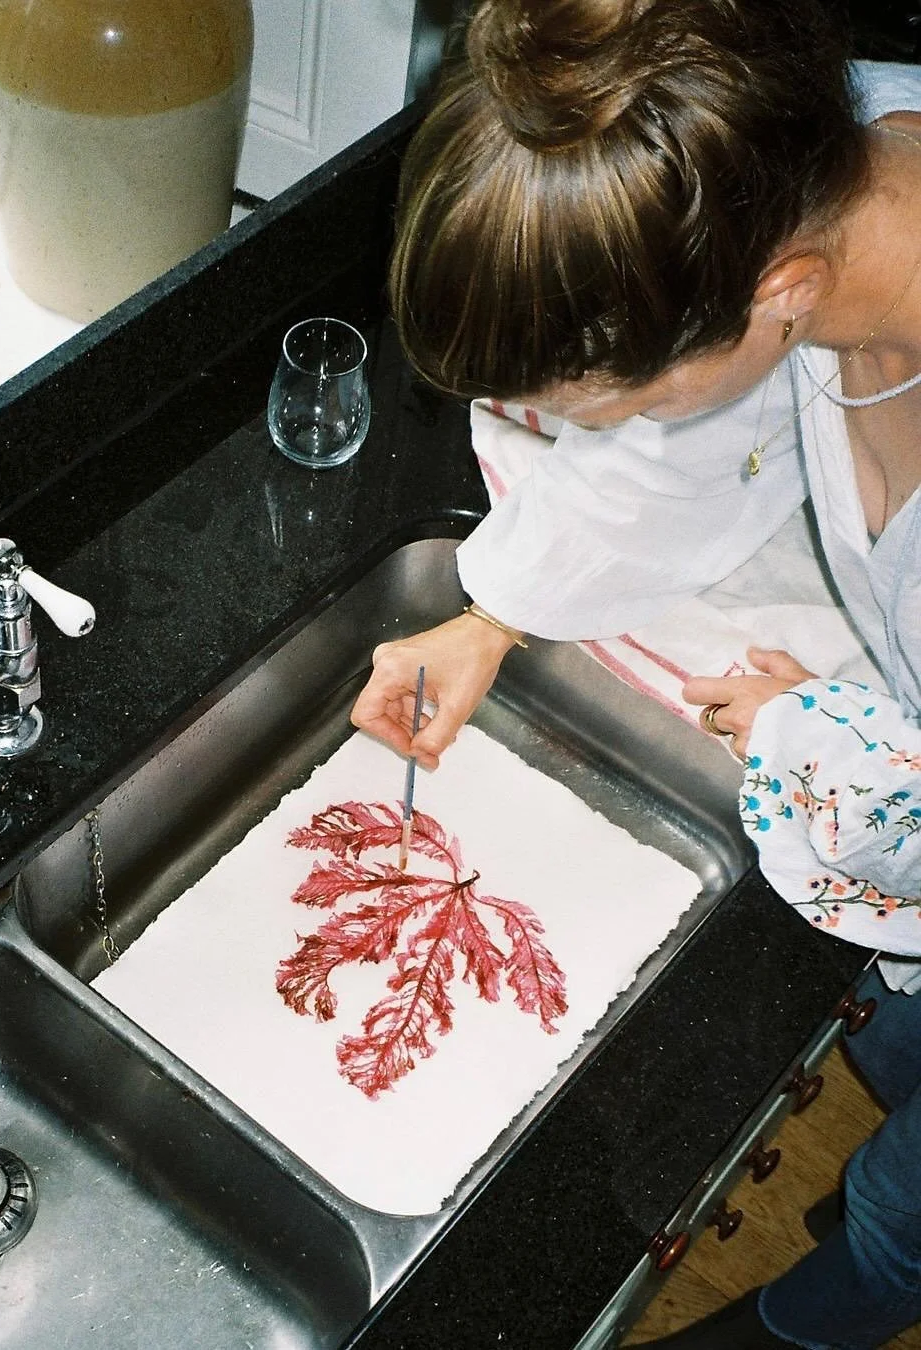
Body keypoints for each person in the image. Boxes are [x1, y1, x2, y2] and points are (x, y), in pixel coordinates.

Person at [348, 1, 921, 1345]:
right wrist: (491, 614)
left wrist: (812, 737)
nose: (598, 434)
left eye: (610, 402)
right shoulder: (818, 180)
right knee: (900, 1045)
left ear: (775, 293)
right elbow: (704, 437)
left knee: (905, 1208)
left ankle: (832, 1306)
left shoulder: (788, 265)